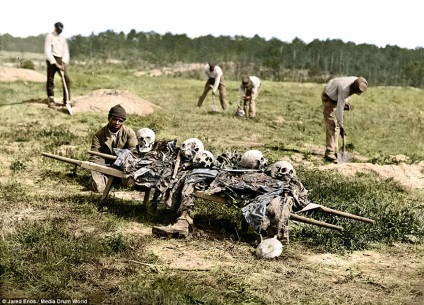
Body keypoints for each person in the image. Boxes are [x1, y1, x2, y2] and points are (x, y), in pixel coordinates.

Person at [89, 104, 137, 193]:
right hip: (105, 168)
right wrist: (103, 169)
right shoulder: (98, 136)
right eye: (114, 119)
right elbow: (95, 156)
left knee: (131, 185)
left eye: (120, 120)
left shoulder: (129, 133)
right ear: (109, 118)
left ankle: (118, 181)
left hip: (124, 167)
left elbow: (133, 152)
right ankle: (105, 180)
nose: (117, 123)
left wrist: (120, 163)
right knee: (99, 188)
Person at [321, 76, 368, 162]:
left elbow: (343, 99)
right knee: (332, 125)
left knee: (337, 126)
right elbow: (339, 108)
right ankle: (330, 152)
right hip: (328, 97)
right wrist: (342, 125)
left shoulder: (357, 81)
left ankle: (335, 150)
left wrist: (344, 103)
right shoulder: (344, 88)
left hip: (336, 96)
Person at [44, 22, 71, 108]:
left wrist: (63, 63)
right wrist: (55, 63)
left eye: (61, 30)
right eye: (58, 29)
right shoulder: (50, 36)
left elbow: (65, 51)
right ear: (55, 28)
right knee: (50, 79)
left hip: (60, 59)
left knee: (66, 79)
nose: (60, 31)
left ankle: (66, 100)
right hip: (52, 59)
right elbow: (47, 50)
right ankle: (51, 99)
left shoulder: (62, 38)